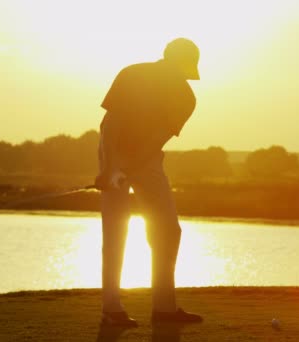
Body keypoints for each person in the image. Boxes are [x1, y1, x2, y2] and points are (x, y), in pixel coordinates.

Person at [95, 38, 202, 327]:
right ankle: (112, 310)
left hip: (148, 160)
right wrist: (110, 168)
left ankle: (164, 309)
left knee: (168, 230)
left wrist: (128, 168)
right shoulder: (132, 74)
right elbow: (110, 125)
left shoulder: (186, 98)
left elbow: (156, 139)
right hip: (112, 152)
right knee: (115, 232)